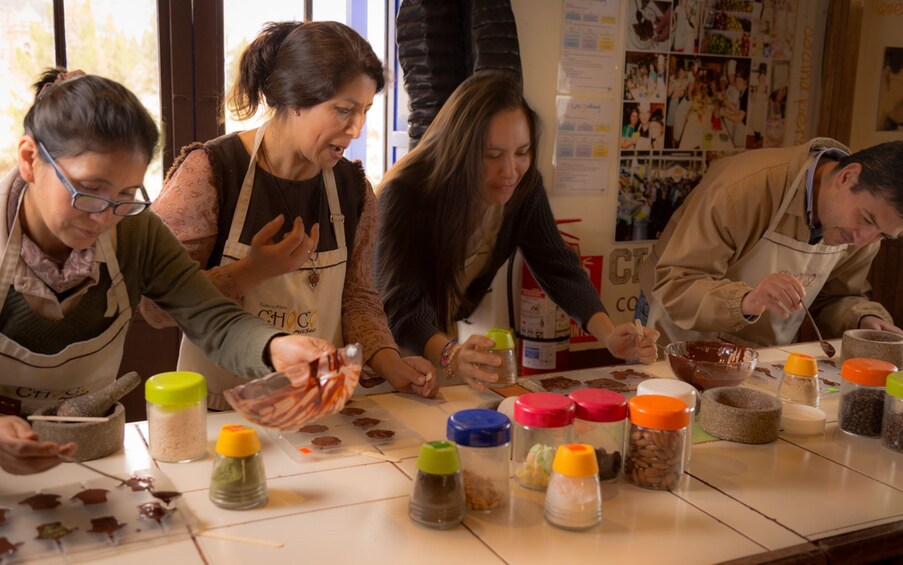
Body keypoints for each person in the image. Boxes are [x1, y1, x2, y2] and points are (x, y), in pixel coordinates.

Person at [0, 69, 345, 475]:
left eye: (126, 195)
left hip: (90, 449)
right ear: (28, 159)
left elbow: (211, 316)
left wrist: (276, 347)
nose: (104, 218)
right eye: (88, 190)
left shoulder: (135, 232)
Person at [143, 21, 437, 408]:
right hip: (222, 413)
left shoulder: (353, 188)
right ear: (294, 99)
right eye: (343, 110)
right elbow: (155, 306)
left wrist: (390, 362)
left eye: (364, 111)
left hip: (316, 408)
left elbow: (359, 298)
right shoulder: (211, 172)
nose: (357, 128)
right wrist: (251, 271)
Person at [375, 71, 659, 392]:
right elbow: (398, 307)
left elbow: (557, 266)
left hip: (437, 337)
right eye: (492, 155)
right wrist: (450, 352)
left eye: (522, 152)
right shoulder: (406, 194)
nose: (510, 171)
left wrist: (609, 335)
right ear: (460, 148)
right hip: (382, 347)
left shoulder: (524, 186)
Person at [637, 138, 903, 347]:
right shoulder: (742, 189)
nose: (863, 240)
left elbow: (838, 295)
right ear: (847, 177)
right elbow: (677, 282)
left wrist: (861, 318)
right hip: (678, 326)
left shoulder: (865, 234)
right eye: (866, 219)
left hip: (762, 353)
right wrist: (746, 300)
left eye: (883, 235)